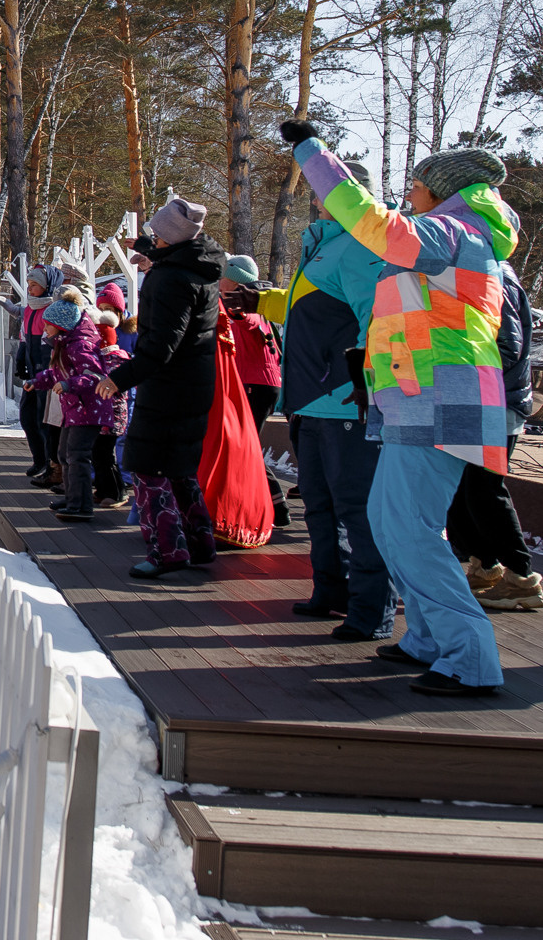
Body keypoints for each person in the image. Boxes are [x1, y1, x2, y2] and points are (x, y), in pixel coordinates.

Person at [283, 120, 513, 698]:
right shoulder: (455, 233)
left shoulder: (452, 232)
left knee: (409, 531)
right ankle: (430, 638)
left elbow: (378, 228)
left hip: (442, 395)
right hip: (416, 395)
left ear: (443, 191)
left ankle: (469, 657)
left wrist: (312, 153)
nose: (408, 192)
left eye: (417, 185)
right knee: (392, 526)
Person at [245, 159, 399, 640]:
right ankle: (330, 589)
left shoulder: (360, 246)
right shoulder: (324, 245)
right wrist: (261, 303)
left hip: (345, 402)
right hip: (311, 401)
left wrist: (363, 382)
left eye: (327, 190)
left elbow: (377, 320)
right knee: (318, 503)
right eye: (317, 190)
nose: (316, 197)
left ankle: (372, 609)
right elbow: (313, 310)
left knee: (356, 508)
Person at [99, 199, 223, 578]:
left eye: (156, 234)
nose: (152, 238)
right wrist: (144, 247)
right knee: (180, 468)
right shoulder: (199, 269)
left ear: (169, 237)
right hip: (194, 382)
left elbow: (161, 344)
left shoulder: (171, 281)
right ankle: (200, 543)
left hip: (168, 387)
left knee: (148, 468)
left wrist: (119, 378)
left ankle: (166, 550)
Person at [449, 260, 543, 611]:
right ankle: (485, 565)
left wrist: (451, 370)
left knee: (483, 490)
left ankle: (522, 578)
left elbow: (507, 347)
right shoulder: (471, 270)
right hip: (473, 399)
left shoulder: (493, 275)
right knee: (461, 490)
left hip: (493, 402)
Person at [25, 286, 113, 523]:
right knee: (65, 453)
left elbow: (94, 376)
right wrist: (38, 381)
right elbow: (57, 373)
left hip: (88, 408)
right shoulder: (64, 345)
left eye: (48, 325)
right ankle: (72, 496)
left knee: (77, 454)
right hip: (76, 409)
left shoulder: (80, 346)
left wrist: (69, 385)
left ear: (61, 325)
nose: (44, 330)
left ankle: (81, 504)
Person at [221, 254, 290, 528]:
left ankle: (273, 505)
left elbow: (245, 320)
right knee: (243, 447)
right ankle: (275, 505)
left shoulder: (245, 306)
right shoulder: (258, 303)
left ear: (235, 280)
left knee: (242, 448)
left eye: (222, 276)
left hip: (254, 384)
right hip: (262, 384)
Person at [14, 265, 62, 484]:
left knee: (45, 420)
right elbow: (25, 336)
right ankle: (39, 458)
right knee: (27, 416)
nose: (30, 288)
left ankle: (51, 465)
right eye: (29, 284)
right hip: (33, 369)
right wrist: (21, 357)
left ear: (47, 286)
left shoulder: (53, 308)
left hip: (47, 371)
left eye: (35, 285)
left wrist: (48, 368)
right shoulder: (29, 309)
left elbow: (52, 343)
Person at [91, 283, 135, 507]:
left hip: (117, 405)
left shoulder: (130, 332)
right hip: (100, 408)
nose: (106, 312)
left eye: (110, 308)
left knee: (110, 450)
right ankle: (104, 487)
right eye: (102, 308)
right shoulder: (98, 332)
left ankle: (120, 488)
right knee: (100, 451)